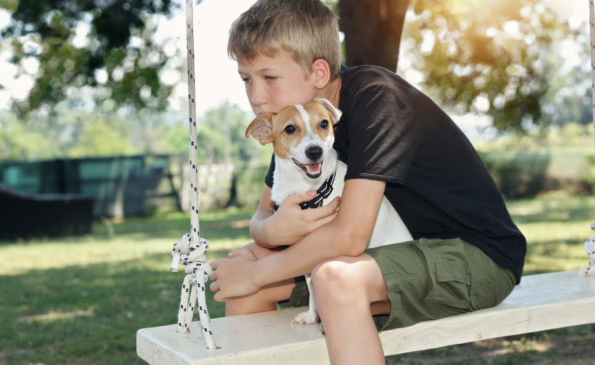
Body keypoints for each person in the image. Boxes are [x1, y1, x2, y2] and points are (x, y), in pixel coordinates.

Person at [208, 1, 526, 364]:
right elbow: (262, 217)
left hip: (473, 255)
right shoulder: (298, 128)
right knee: (247, 267)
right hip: (388, 254)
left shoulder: (377, 98)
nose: (255, 97)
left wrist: (256, 273)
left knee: (331, 279)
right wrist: (270, 236)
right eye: (246, 79)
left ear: (318, 73)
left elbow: (349, 237)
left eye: (268, 77)